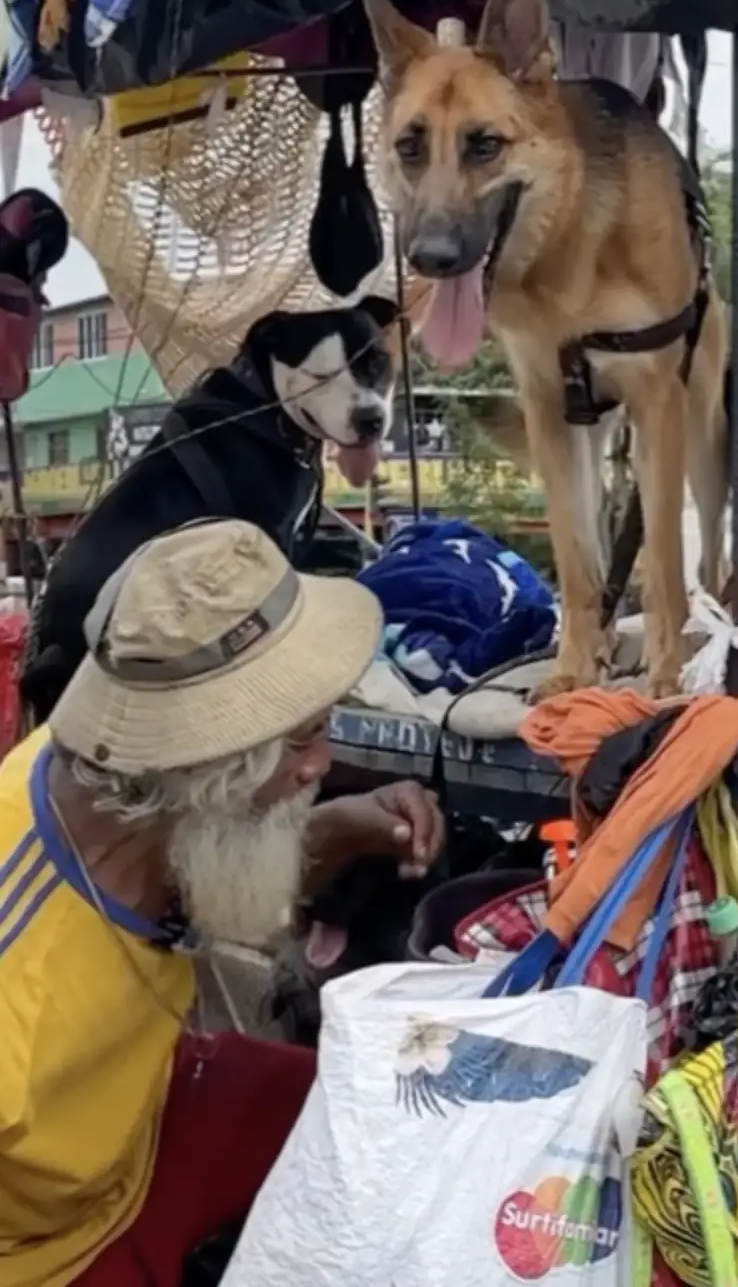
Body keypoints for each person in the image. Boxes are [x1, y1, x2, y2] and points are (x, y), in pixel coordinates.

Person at [0, 518, 446, 1287]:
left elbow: (216, 872)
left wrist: (342, 829)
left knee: (396, 1115)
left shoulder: (106, 781)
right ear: (205, 765)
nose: (322, 763)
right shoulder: (19, 975)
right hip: (53, 1256)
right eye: (302, 738)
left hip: (143, 1117)